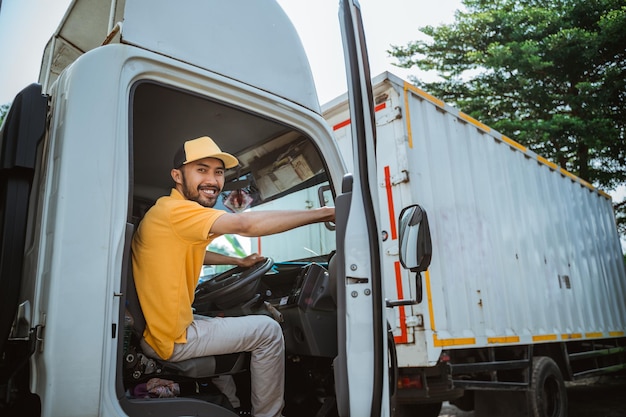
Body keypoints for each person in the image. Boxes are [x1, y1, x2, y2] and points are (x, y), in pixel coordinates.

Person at [131, 136, 335, 417]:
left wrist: (237, 260)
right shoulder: (178, 212)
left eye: (218, 172)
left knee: (223, 320)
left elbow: (195, 251)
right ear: (177, 175)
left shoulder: (165, 212)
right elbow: (244, 223)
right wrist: (322, 213)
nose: (212, 180)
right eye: (201, 170)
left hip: (161, 329)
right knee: (268, 331)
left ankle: (233, 406)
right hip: (172, 338)